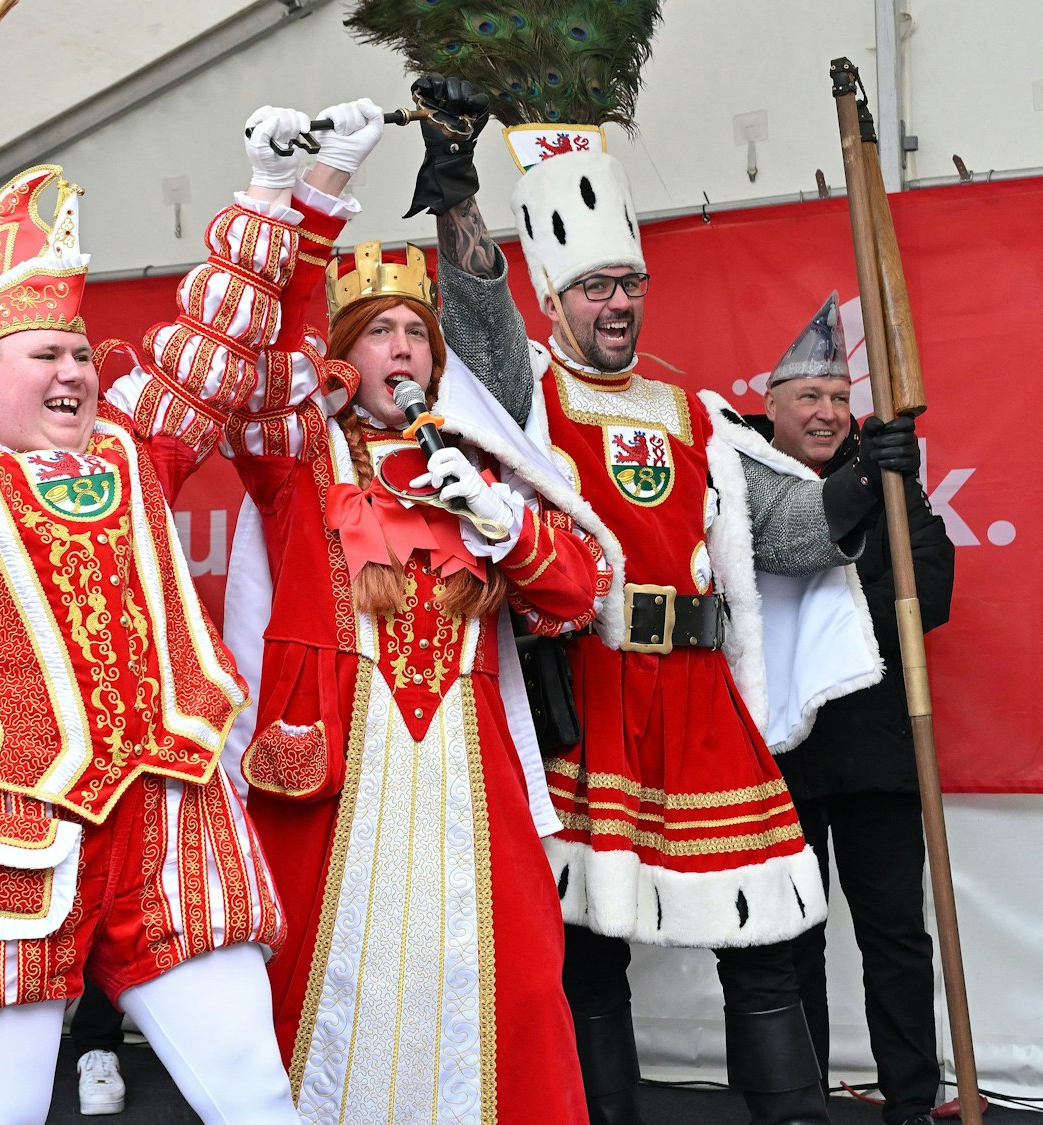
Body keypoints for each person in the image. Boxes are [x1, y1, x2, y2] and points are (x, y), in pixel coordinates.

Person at [412, 77, 915, 1125]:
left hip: (699, 703)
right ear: (557, 298)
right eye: (594, 287)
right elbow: (475, 317)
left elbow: (787, 533)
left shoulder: (693, 410)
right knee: (589, 961)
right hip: (588, 693)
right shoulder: (527, 393)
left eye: (628, 284)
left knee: (764, 949)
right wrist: (457, 187)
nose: (616, 303)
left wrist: (870, 475)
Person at [0, 141, 310, 1125]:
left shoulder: (131, 451)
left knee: (256, 1099)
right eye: (49, 354)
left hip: (168, 822)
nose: (75, 368)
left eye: (79, 351)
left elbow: (209, 354)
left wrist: (268, 195)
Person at [213, 102, 609, 1124]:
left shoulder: (483, 472)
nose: (402, 348)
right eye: (379, 332)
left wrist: (497, 521)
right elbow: (265, 362)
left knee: (496, 975)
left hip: (463, 766)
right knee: (318, 968)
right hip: (344, 757)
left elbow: (578, 590)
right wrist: (320, 193)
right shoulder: (302, 468)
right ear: (346, 354)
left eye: (414, 335)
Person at [754, 296, 956, 1125]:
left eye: (841, 397)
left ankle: (911, 1103)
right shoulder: (744, 481)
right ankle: (799, 1105)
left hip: (875, 751)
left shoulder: (892, 481)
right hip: (778, 758)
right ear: (771, 406)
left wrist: (831, 610)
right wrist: (844, 601)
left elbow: (933, 591)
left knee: (897, 942)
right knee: (788, 945)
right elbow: (755, 597)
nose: (829, 412)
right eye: (810, 397)